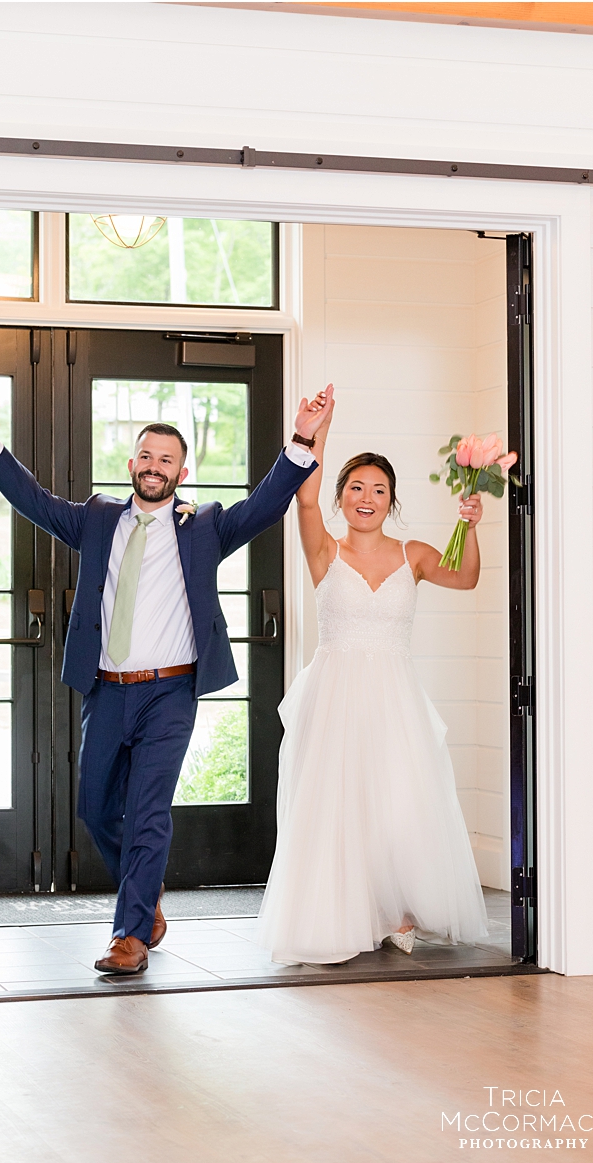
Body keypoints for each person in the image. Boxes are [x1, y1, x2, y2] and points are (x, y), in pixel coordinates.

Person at [0, 378, 332, 975]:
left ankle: (129, 937)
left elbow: (264, 505)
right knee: (96, 808)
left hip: (170, 692)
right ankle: (146, 889)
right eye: (146, 456)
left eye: (167, 459)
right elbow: (35, 501)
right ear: (132, 464)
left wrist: (302, 438)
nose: (155, 466)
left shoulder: (205, 525)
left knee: (149, 809)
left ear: (182, 472)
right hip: (106, 690)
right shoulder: (97, 519)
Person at [257, 386, 489, 965]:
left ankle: (398, 910)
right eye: (356, 488)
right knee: (340, 804)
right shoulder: (324, 552)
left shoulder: (414, 554)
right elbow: (303, 500)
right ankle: (348, 908)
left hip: (394, 696)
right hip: (335, 694)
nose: (367, 497)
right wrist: (319, 428)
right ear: (341, 496)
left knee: (396, 801)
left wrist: (471, 525)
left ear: (392, 502)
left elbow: (465, 578)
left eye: (379, 490)